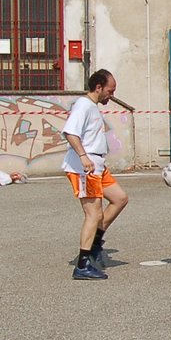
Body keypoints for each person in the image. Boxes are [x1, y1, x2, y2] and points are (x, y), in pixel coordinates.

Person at [63, 69, 128, 281]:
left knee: (119, 199)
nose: (112, 95)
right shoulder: (83, 105)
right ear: (98, 87)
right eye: (110, 91)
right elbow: (70, 132)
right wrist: (83, 157)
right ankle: (82, 264)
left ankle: (95, 243)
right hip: (86, 167)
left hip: (97, 165)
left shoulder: (92, 107)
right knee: (93, 214)